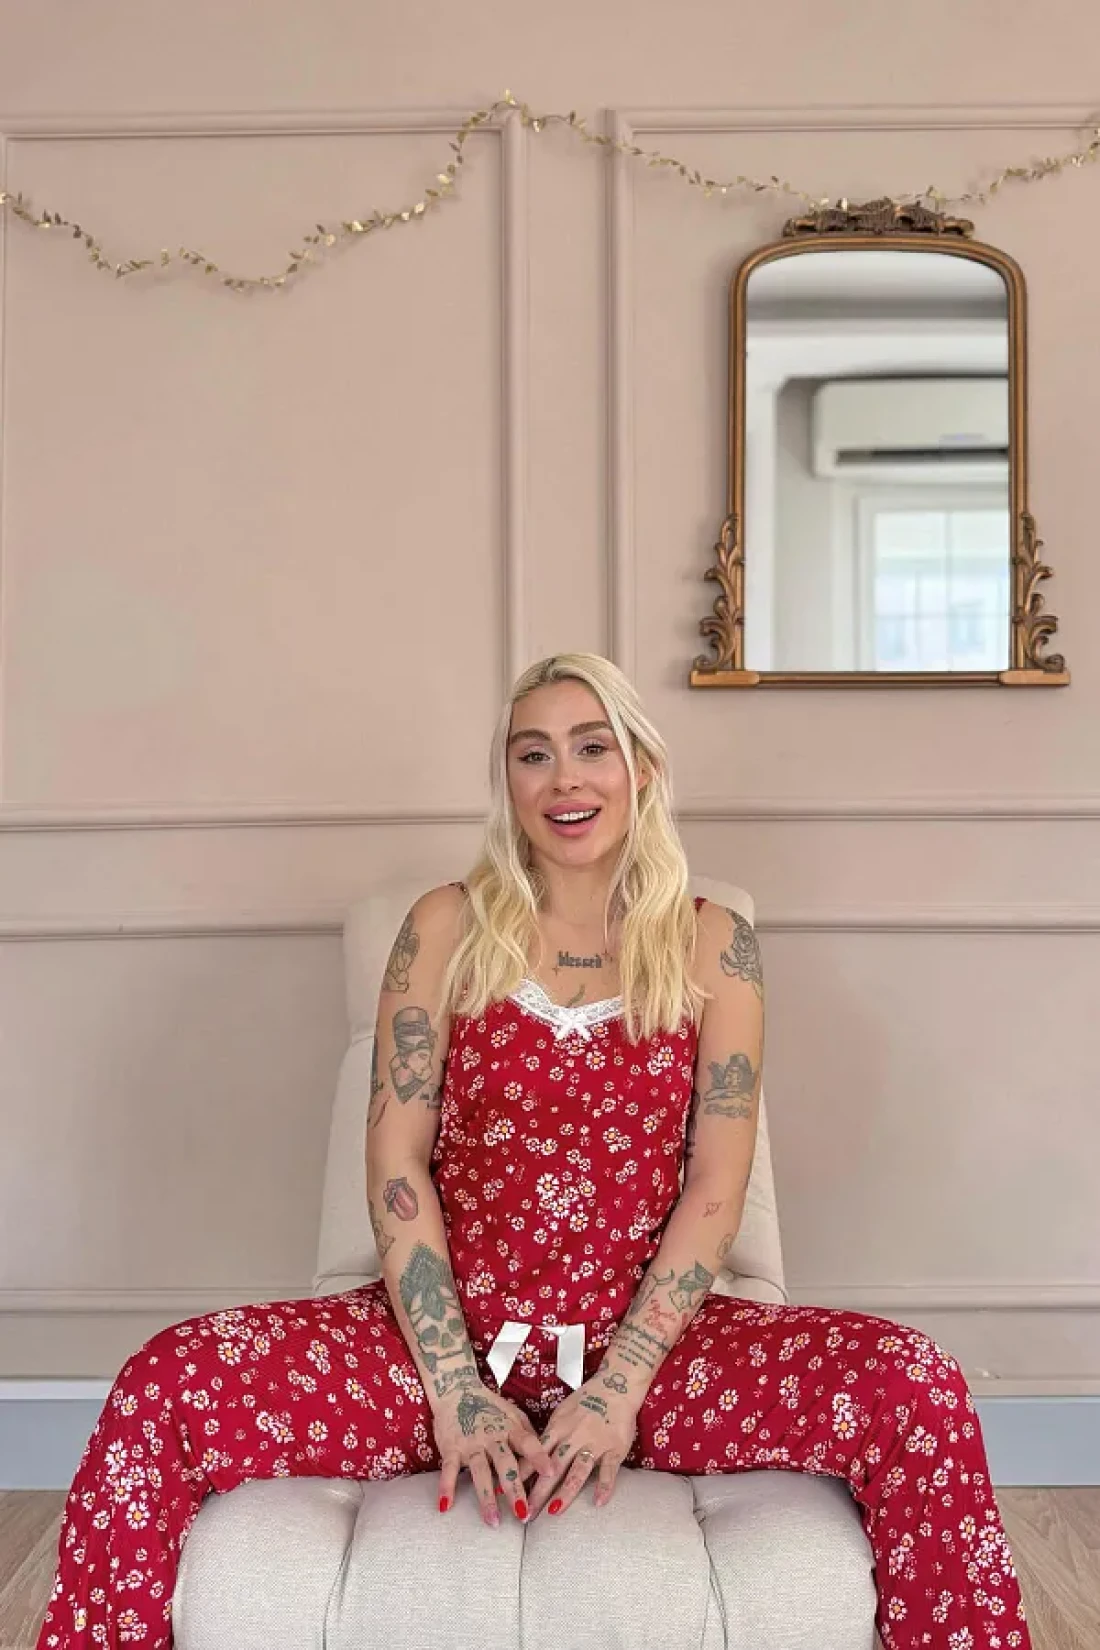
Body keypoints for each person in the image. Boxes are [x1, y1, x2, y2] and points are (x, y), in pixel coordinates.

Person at [36, 651, 1030, 1650]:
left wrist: (619, 1389)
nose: (564, 779)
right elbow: (395, 1167)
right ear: (506, 780)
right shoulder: (442, 928)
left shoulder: (712, 943)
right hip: (434, 1351)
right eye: (533, 753)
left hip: (658, 1358)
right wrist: (453, 1387)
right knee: (160, 1385)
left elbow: (715, 1189)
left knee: (916, 1383)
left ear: (641, 768)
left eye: (592, 748)